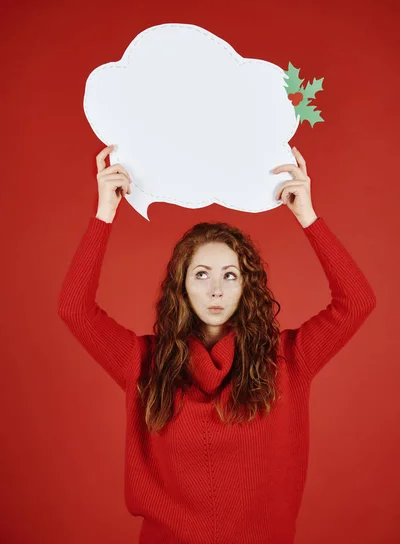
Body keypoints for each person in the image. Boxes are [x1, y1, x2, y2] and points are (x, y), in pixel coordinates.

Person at [58, 144, 376, 544]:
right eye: (201, 274)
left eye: (229, 275)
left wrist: (307, 216)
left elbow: (358, 302)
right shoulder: (144, 363)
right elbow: (74, 309)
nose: (215, 290)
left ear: (247, 286)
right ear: (182, 286)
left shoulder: (288, 359)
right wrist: (105, 211)